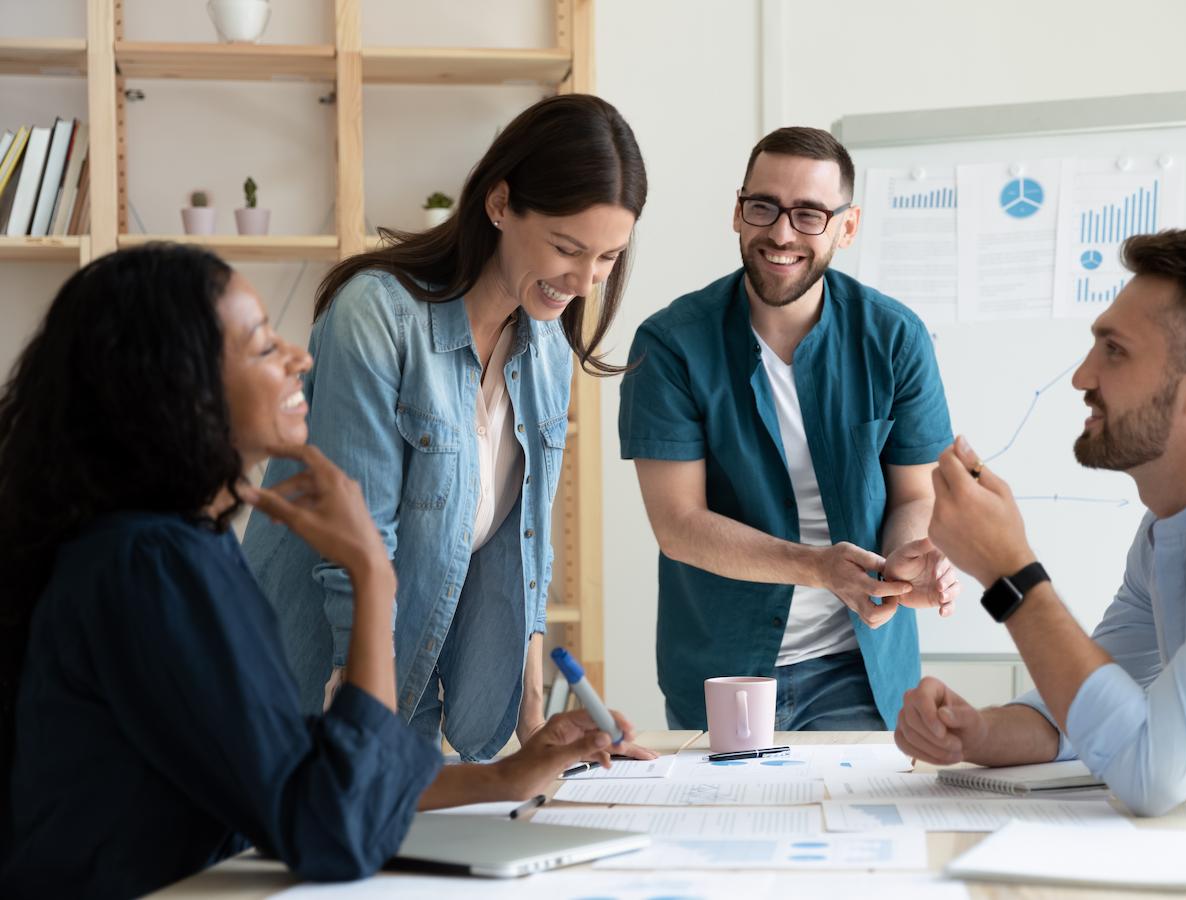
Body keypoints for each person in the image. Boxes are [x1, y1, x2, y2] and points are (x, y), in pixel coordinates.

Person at [0, 245, 643, 899]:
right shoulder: (151, 566)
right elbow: (333, 827)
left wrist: (506, 778)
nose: (298, 359)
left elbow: (296, 764)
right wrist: (371, 573)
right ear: (180, 389)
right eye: (261, 347)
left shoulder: (179, 546)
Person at [899, 228, 1186, 898]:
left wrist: (1010, 572)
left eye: (1114, 351)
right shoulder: (1172, 528)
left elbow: (1148, 769)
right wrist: (981, 732)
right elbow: (1095, 711)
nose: (1083, 376)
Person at [242, 94, 652, 761]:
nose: (583, 282)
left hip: (408, 695)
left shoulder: (545, 344)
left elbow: (527, 548)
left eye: (607, 258)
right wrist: (364, 734)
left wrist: (535, 726)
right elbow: (356, 548)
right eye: (566, 248)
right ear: (499, 205)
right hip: (310, 692)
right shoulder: (377, 318)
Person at [618, 127, 960, 732]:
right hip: (721, 671)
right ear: (737, 212)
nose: (781, 232)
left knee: (857, 827)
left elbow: (916, 494)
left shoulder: (895, 338)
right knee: (725, 828)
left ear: (846, 228)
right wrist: (820, 567)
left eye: (809, 215)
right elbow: (679, 526)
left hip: (858, 666)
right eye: (763, 207)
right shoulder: (671, 344)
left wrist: (902, 564)